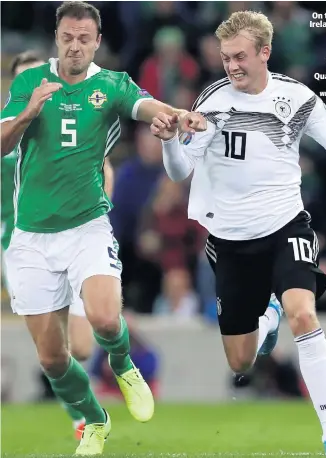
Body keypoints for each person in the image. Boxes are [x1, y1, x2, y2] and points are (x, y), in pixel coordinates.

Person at [151, 10, 326, 457]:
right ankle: (268, 316)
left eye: (240, 56)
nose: (232, 66)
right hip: (230, 241)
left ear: (265, 52)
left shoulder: (297, 99)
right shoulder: (213, 101)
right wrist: (170, 139)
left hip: (285, 225)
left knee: (305, 314)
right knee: (240, 362)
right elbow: (179, 172)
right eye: (225, 58)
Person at [0, 2, 205, 456]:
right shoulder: (29, 82)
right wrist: (28, 112)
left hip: (87, 227)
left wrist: (177, 115)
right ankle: (96, 420)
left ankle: (123, 362)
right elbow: (2, 144)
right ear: (57, 37)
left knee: (105, 319)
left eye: (84, 39)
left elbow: (145, 104)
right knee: (53, 358)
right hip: (31, 238)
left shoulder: (109, 84)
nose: (75, 46)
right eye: (67, 37)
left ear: (96, 42)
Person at [1, 49, 115, 440]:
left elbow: (102, 166)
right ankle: (84, 419)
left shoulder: (71, 120)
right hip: (24, 246)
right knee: (52, 351)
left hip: (74, 236)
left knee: (82, 347)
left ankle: (113, 348)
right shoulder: (9, 132)